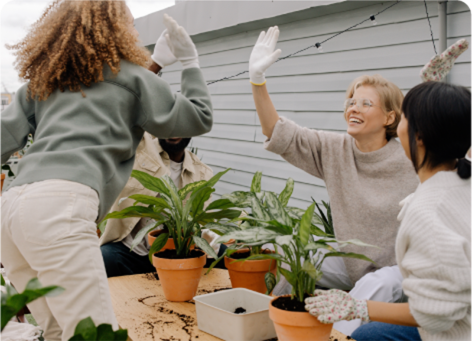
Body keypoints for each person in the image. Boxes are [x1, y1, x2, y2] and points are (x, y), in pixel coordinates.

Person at [0, 0, 213, 339]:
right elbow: (196, 118)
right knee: (95, 334)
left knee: (56, 330)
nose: (135, 31)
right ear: (115, 29)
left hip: (11, 210)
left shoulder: (45, 80)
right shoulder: (134, 77)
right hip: (60, 207)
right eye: (130, 24)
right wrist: (190, 62)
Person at [248, 26, 419, 335]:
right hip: (352, 263)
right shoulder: (334, 149)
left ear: (390, 118)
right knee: (300, 253)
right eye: (351, 102)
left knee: (375, 283)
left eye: (365, 104)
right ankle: (270, 327)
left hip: (399, 273)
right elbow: (277, 131)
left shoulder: (410, 155)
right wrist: (257, 81)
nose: (353, 108)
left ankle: (339, 334)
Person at [306, 81, 472, 341]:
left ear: (419, 135)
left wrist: (358, 307)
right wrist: (436, 90)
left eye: (404, 117)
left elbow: (436, 316)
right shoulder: (463, 176)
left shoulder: (427, 213)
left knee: (367, 335)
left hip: (455, 333)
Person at [100, 133, 227, 277]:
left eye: (181, 124)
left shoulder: (202, 173)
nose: (174, 130)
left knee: (225, 255)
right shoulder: (138, 150)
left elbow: (201, 222)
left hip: (178, 254)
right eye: (170, 122)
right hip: (134, 252)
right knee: (105, 257)